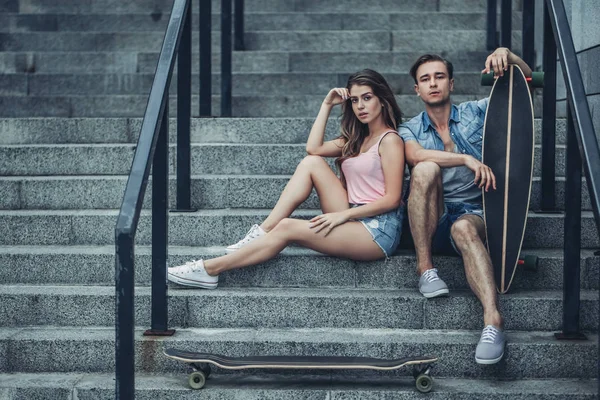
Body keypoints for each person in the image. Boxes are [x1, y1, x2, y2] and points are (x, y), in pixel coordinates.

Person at [168, 69, 406, 291]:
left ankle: (210, 269)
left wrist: (342, 215)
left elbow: (393, 199)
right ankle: (263, 231)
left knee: (287, 226)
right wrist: (326, 105)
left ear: (382, 100)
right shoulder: (356, 139)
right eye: (354, 100)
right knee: (311, 162)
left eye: (367, 98)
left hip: (377, 230)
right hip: (352, 213)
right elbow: (313, 148)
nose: (360, 106)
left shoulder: (390, 141)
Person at [399, 48, 532, 365]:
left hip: (479, 216)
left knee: (464, 227)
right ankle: (425, 268)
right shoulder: (409, 129)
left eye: (440, 77)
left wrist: (509, 57)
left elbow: (526, 87)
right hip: (434, 218)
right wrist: (465, 158)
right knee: (426, 168)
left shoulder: (477, 113)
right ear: (417, 89)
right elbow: (416, 157)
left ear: (452, 84)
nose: (433, 84)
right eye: (425, 79)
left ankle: (492, 320)